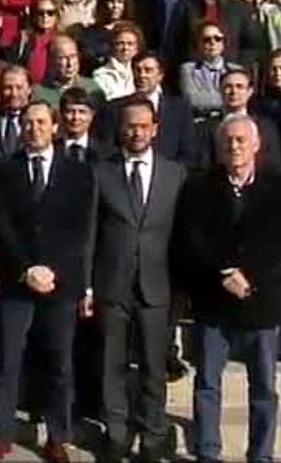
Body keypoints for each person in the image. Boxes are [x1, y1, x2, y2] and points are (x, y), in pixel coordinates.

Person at [179, 115, 281, 463]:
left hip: (262, 302)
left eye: (241, 140)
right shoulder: (199, 186)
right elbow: (192, 238)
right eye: (228, 141)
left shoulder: (280, 188)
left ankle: (261, 455)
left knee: (263, 388)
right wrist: (224, 272)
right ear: (218, 147)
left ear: (257, 145)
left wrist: (249, 277)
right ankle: (207, 452)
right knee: (208, 385)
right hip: (214, 300)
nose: (234, 146)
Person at [0, 101, 95, 463]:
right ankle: (2, 435)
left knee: (59, 362)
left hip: (59, 284)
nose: (34, 128)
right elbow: (0, 225)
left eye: (41, 122)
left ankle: (57, 436)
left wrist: (54, 270)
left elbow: (79, 230)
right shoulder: (3, 169)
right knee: (9, 360)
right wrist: (26, 269)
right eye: (28, 123)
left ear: (55, 127)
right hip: (16, 282)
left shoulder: (78, 173)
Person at [87, 97, 188, 463]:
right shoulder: (101, 171)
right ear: (120, 129)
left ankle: (153, 433)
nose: (136, 132)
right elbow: (90, 233)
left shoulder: (175, 174)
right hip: (112, 283)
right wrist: (87, 285)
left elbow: (181, 235)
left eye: (144, 126)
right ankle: (116, 432)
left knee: (153, 366)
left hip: (156, 285)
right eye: (130, 126)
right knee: (111, 364)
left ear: (155, 129)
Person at [96, 52, 200, 167]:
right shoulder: (113, 108)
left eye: (148, 70)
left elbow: (189, 149)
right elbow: (106, 148)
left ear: (160, 75)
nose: (142, 75)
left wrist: (172, 174)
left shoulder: (179, 108)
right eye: (138, 70)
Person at [177, 0, 269, 76]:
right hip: (196, 74)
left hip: (231, 73)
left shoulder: (240, 7)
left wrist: (239, 68)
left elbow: (253, 44)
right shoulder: (186, 6)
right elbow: (177, 42)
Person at [199, 68, 281, 173]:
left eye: (239, 87)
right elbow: (203, 166)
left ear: (250, 91)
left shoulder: (266, 127)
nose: (234, 92)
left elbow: (275, 165)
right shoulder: (205, 128)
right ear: (220, 91)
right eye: (228, 87)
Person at [180, 21, 244, 117]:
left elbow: (243, 99)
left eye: (217, 39)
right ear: (198, 44)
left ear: (223, 43)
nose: (212, 42)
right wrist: (229, 99)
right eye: (206, 39)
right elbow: (192, 100)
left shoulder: (236, 70)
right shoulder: (188, 69)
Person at [34, 34, 105, 109]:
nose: (69, 64)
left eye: (73, 56)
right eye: (62, 58)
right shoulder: (39, 93)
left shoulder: (92, 88)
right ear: (51, 60)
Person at [3, 0, 59, 85]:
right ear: (34, 15)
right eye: (40, 13)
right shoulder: (24, 40)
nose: (45, 16)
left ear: (56, 16)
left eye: (50, 13)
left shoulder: (62, 40)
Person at [91, 22, 142, 101]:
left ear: (137, 49)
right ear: (112, 47)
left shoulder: (141, 72)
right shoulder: (101, 75)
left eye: (130, 44)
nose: (125, 48)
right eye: (120, 43)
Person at [58, 86, 108, 163]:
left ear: (91, 115)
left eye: (82, 112)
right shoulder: (52, 149)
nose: (76, 117)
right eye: (70, 111)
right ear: (61, 114)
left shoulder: (106, 153)